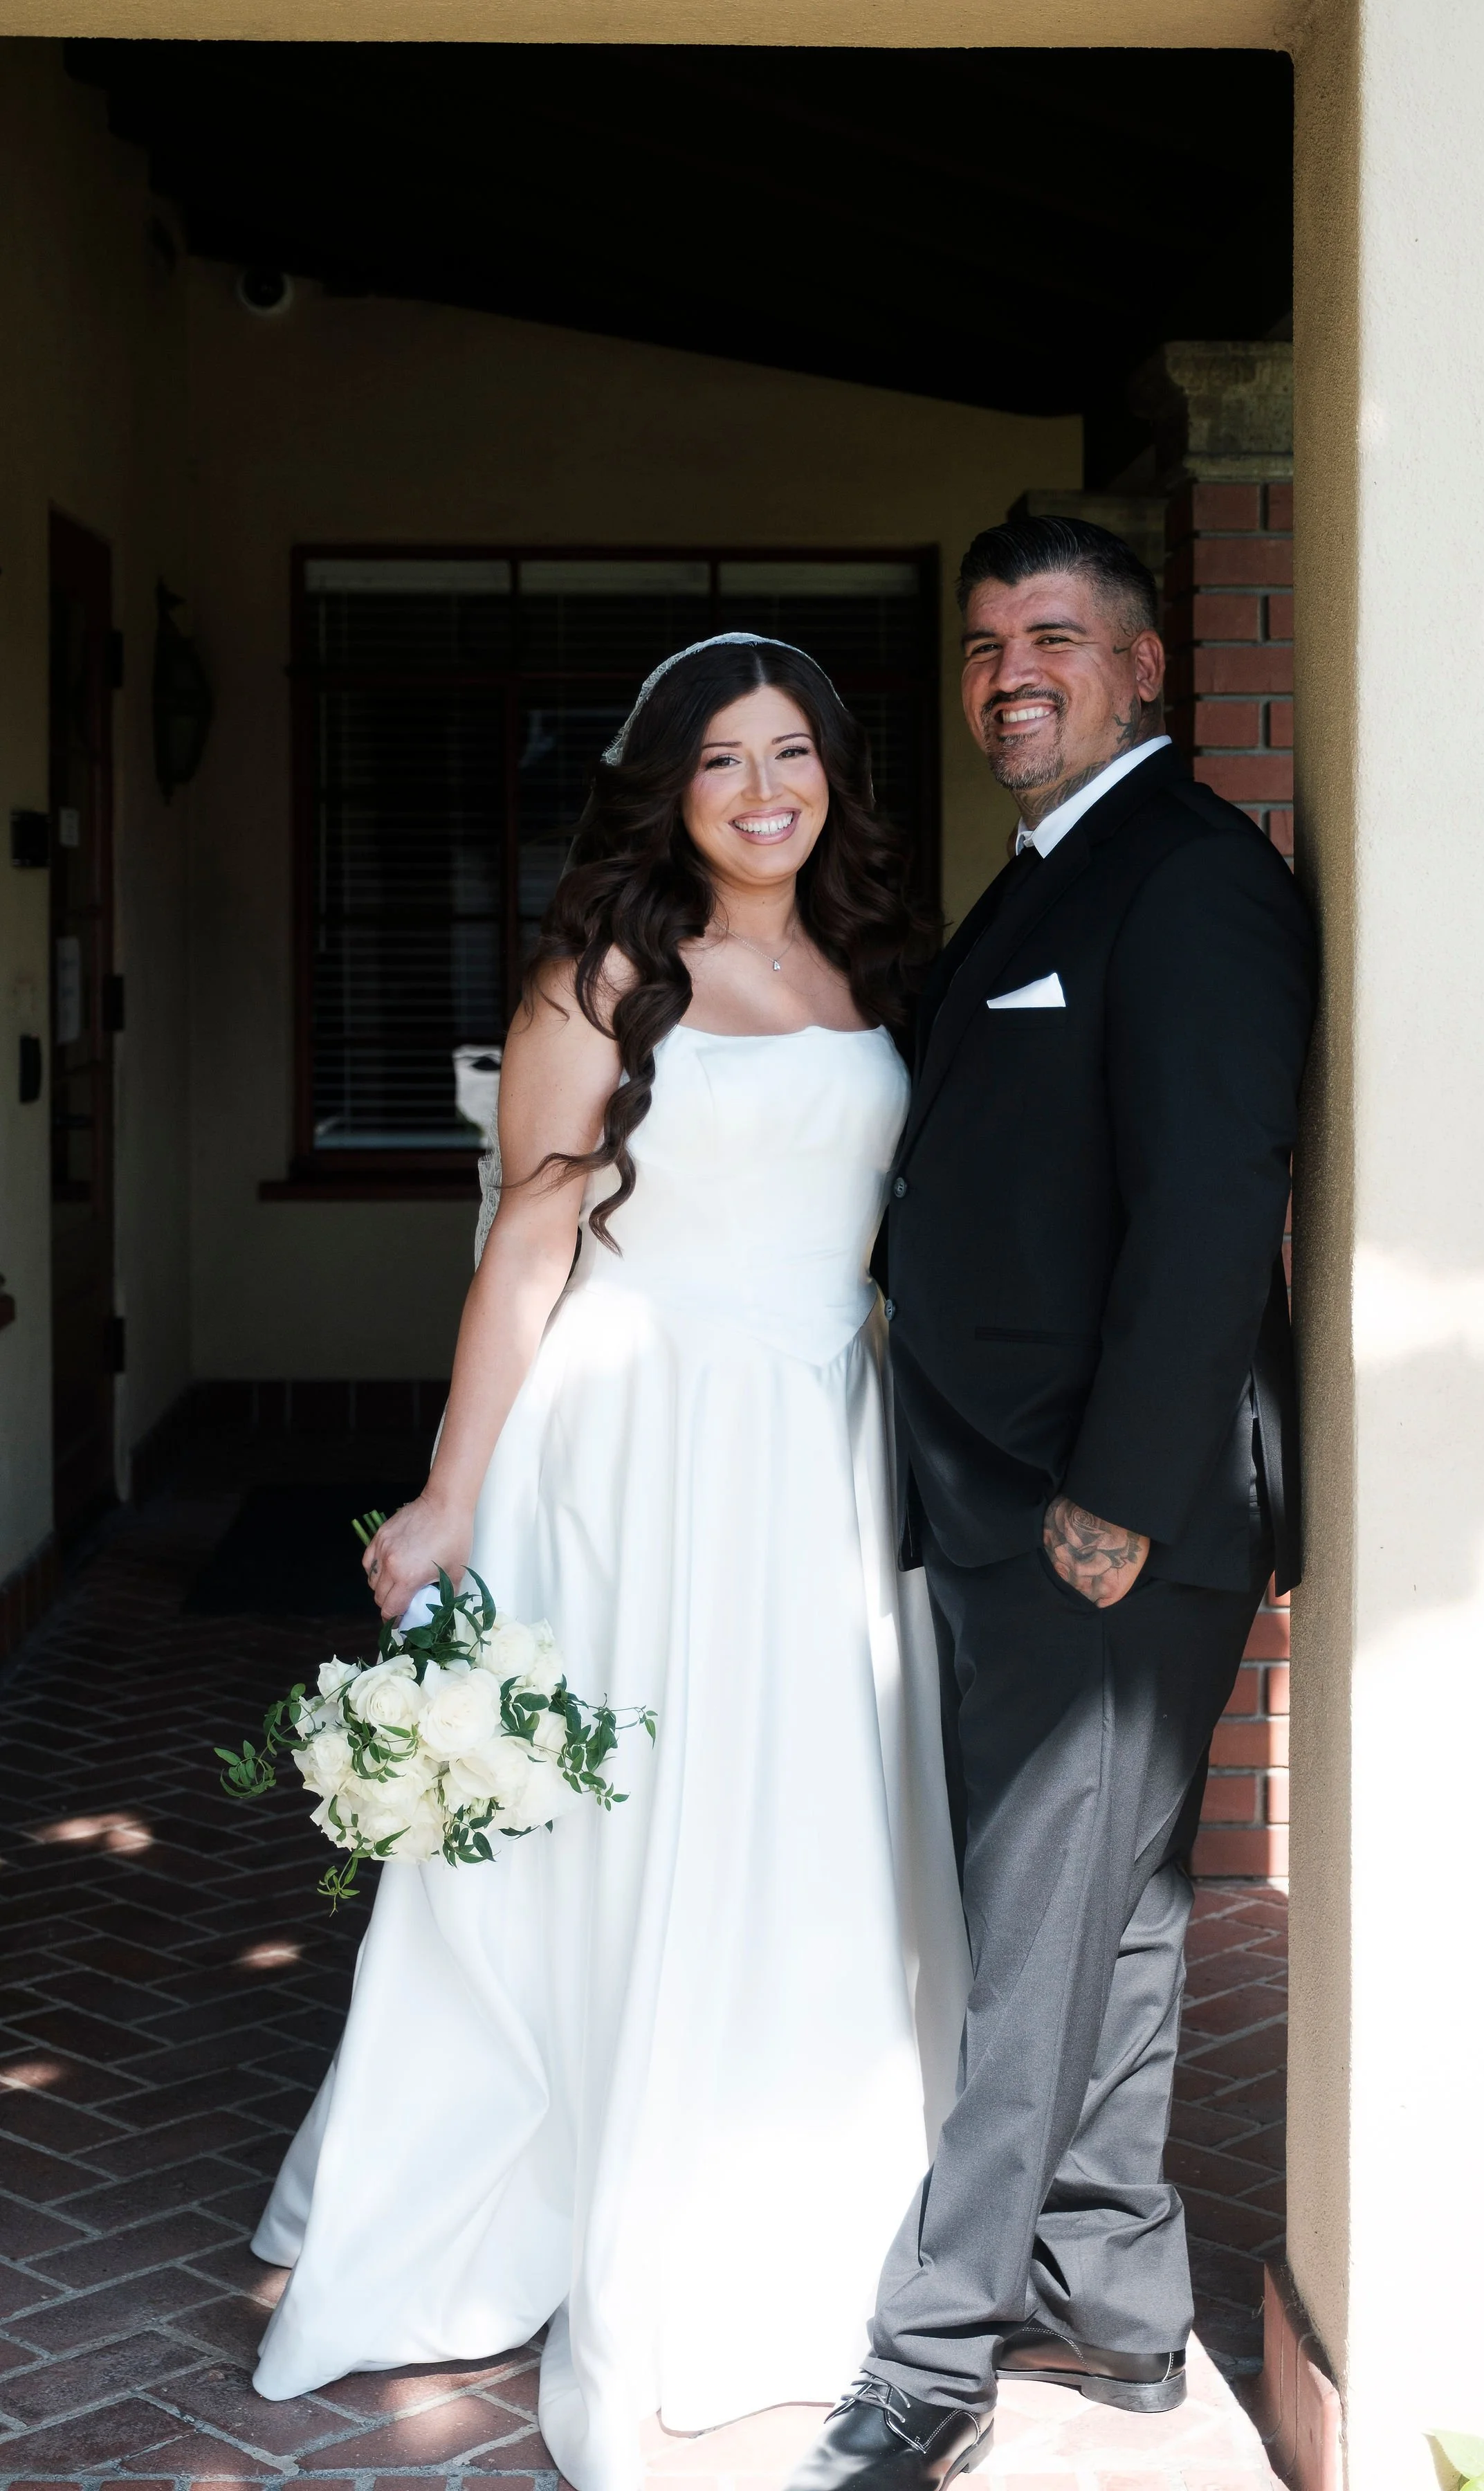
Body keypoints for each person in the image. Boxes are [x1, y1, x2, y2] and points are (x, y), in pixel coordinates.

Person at [248, 635, 971, 2491]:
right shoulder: (602, 980)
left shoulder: (870, 959)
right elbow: (530, 1251)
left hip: (820, 1435)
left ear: (832, 778)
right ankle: (562, 2198)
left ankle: (802, 2196)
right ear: (667, 786)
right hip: (640, 1450)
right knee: (628, 1829)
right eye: (723, 758)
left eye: (793, 753)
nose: (762, 788)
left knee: (801, 1817)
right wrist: (448, 1493)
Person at [790, 515, 1317, 2491]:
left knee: (1032, 1931)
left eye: (1060, 638)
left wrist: (1115, 1494)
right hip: (1014, 1493)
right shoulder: (1052, 873)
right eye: (990, 638)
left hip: (1104, 1512)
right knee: (1113, 1920)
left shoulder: (1185, 880)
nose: (1015, 668)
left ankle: (930, 2362)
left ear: (1149, 666)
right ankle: (1118, 2300)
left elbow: (1209, 1204)